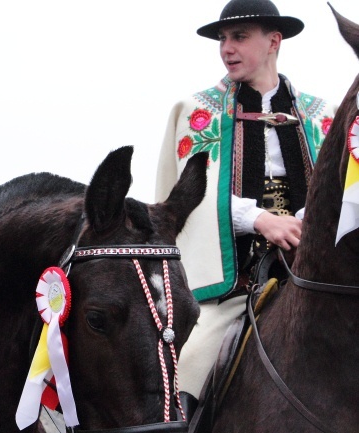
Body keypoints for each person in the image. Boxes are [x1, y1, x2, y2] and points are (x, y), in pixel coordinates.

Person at [155, 0, 335, 414]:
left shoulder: (322, 116)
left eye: (239, 37)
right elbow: (186, 198)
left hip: (314, 271)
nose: (227, 49)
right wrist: (260, 219)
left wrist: (305, 221)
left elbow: (342, 193)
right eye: (223, 39)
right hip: (237, 282)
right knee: (189, 361)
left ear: (274, 41)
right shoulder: (200, 112)